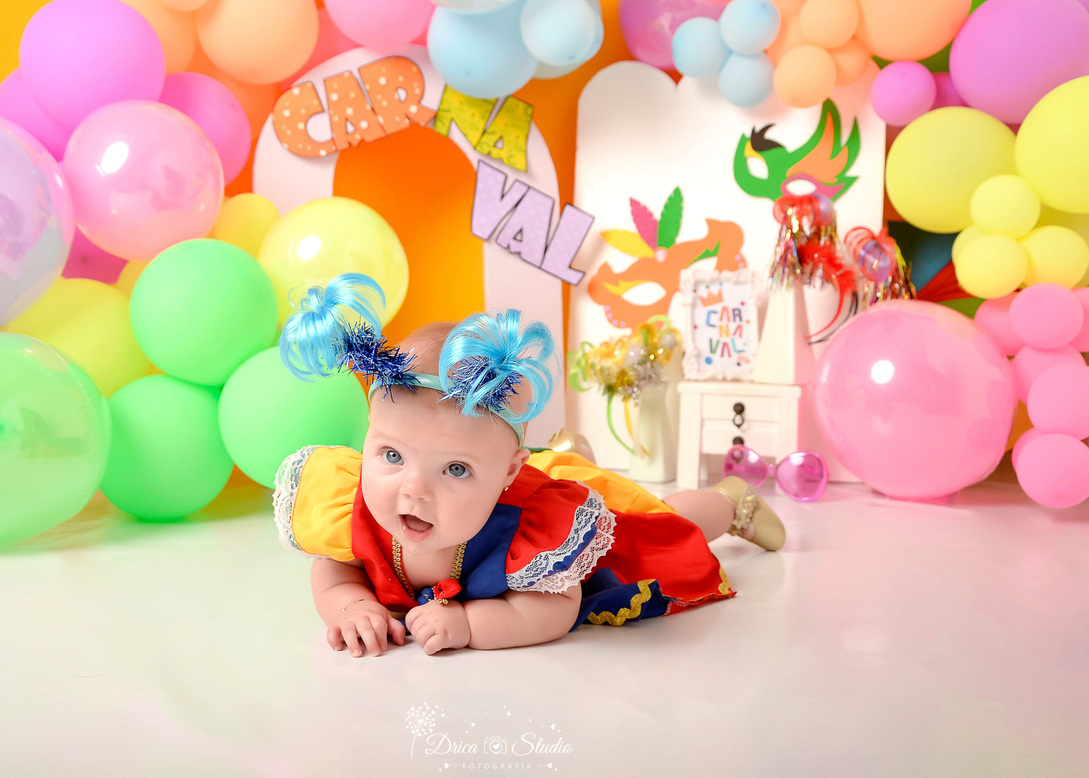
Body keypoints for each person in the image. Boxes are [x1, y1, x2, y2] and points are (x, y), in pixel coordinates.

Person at [273, 274, 786, 658]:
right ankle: (565, 453)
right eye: (391, 456)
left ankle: (728, 502)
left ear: (508, 473)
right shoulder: (358, 506)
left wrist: (473, 626)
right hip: (524, 470)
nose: (413, 490)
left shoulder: (531, 534)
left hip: (582, 533)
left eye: (454, 470)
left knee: (660, 524)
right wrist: (348, 606)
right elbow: (334, 566)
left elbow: (553, 609)